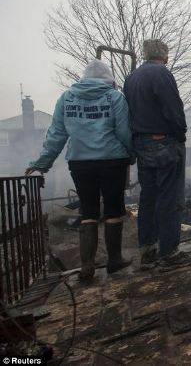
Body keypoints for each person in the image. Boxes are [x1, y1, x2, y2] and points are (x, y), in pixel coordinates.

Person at [26, 60, 134, 281]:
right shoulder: (115, 97)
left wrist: (42, 163)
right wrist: (131, 154)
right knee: (114, 209)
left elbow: (56, 134)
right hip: (112, 160)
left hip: (80, 163)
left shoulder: (66, 98)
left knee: (88, 211)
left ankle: (87, 266)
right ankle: (114, 260)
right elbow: (124, 130)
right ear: (108, 78)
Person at [123, 39, 191, 272]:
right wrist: (181, 134)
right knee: (169, 199)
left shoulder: (131, 78)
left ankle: (147, 251)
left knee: (148, 198)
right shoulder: (161, 74)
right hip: (163, 143)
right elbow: (173, 109)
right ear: (164, 55)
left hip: (141, 144)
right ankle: (169, 253)